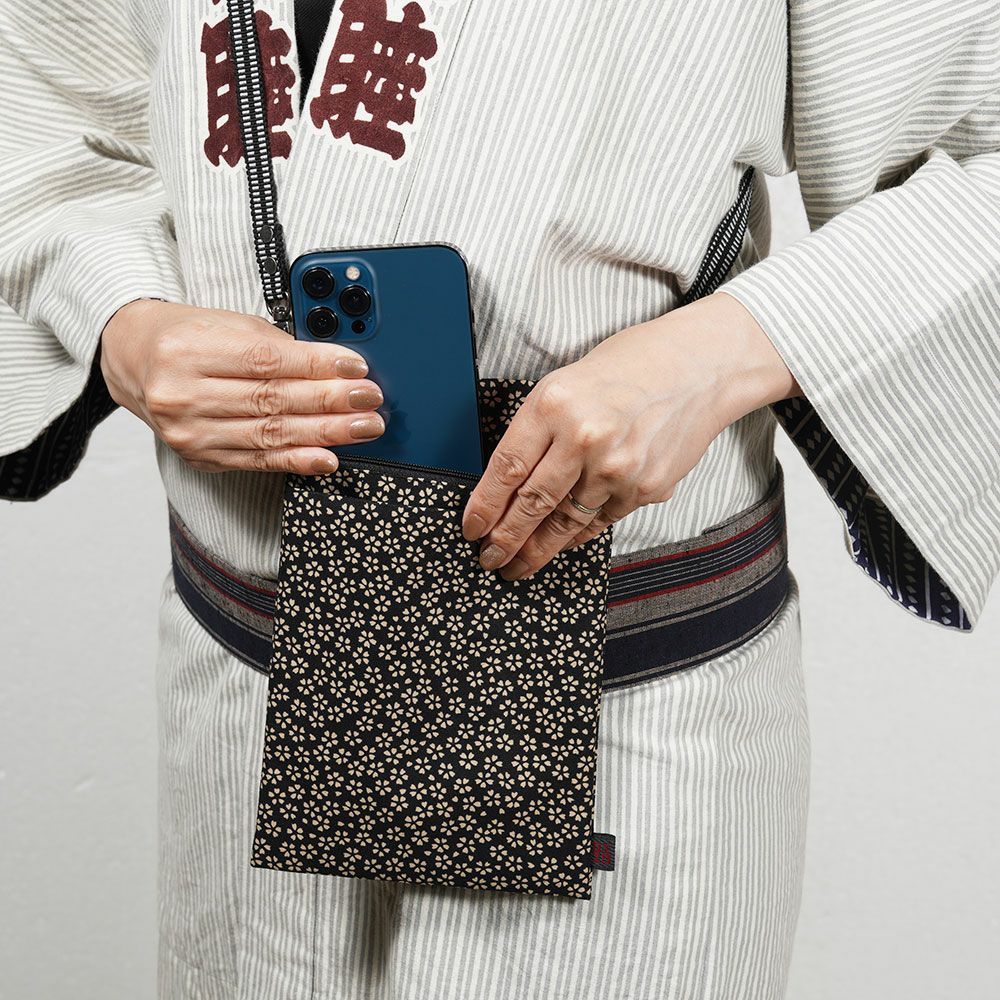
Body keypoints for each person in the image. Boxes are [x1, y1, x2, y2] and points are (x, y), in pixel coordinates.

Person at [1, 0, 997, 997]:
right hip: (241, 692)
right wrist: (120, 315)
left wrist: (726, 350)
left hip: (615, 704)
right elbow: (45, 93)